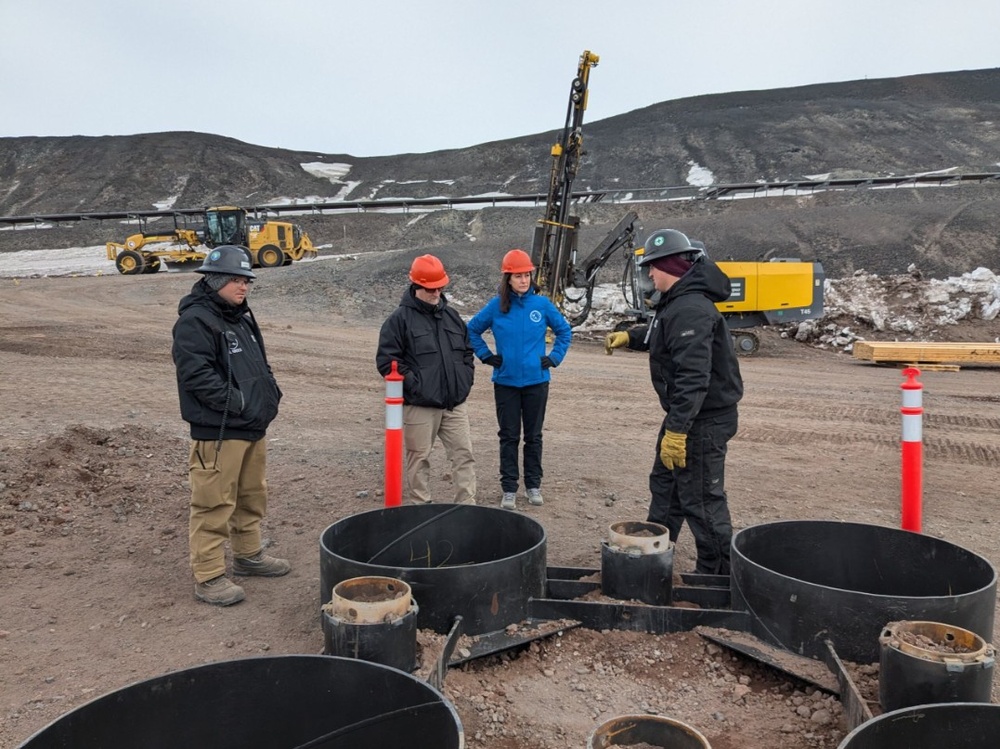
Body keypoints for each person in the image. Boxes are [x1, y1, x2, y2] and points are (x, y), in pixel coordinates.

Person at [605, 229, 743, 575]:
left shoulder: (691, 308)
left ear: (670, 266)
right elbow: (661, 335)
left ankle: (718, 579)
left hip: (701, 420)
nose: (649, 274)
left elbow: (694, 378)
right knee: (667, 492)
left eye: (653, 267)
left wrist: (678, 430)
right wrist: (632, 337)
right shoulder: (677, 301)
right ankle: (653, 562)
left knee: (700, 499)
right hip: (686, 416)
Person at [172, 245, 289, 607]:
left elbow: (257, 364)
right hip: (220, 430)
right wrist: (234, 403)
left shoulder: (239, 316)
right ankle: (208, 576)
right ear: (216, 280)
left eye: (246, 280)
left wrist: (269, 395)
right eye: (237, 280)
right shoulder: (196, 321)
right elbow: (195, 374)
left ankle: (248, 555)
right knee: (213, 503)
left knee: (251, 495)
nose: (244, 287)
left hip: (251, 425)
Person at [467, 249, 572, 510]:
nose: (523, 280)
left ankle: (533, 485)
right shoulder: (496, 306)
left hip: (537, 383)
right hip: (506, 383)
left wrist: (554, 357)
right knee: (509, 436)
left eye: (526, 275)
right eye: (518, 276)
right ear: (508, 279)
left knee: (534, 436)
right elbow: (472, 330)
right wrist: (486, 355)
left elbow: (564, 331)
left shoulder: (542, 305)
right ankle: (509, 488)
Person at [376, 254, 477, 505]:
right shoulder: (398, 320)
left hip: (454, 404)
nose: (436, 293)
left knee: (463, 455)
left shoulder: (452, 317)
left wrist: (464, 380)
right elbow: (387, 361)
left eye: (440, 288)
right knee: (419, 458)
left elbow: (466, 352)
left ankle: (467, 508)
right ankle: (420, 509)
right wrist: (417, 387)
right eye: (431, 289)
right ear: (416, 286)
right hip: (420, 406)